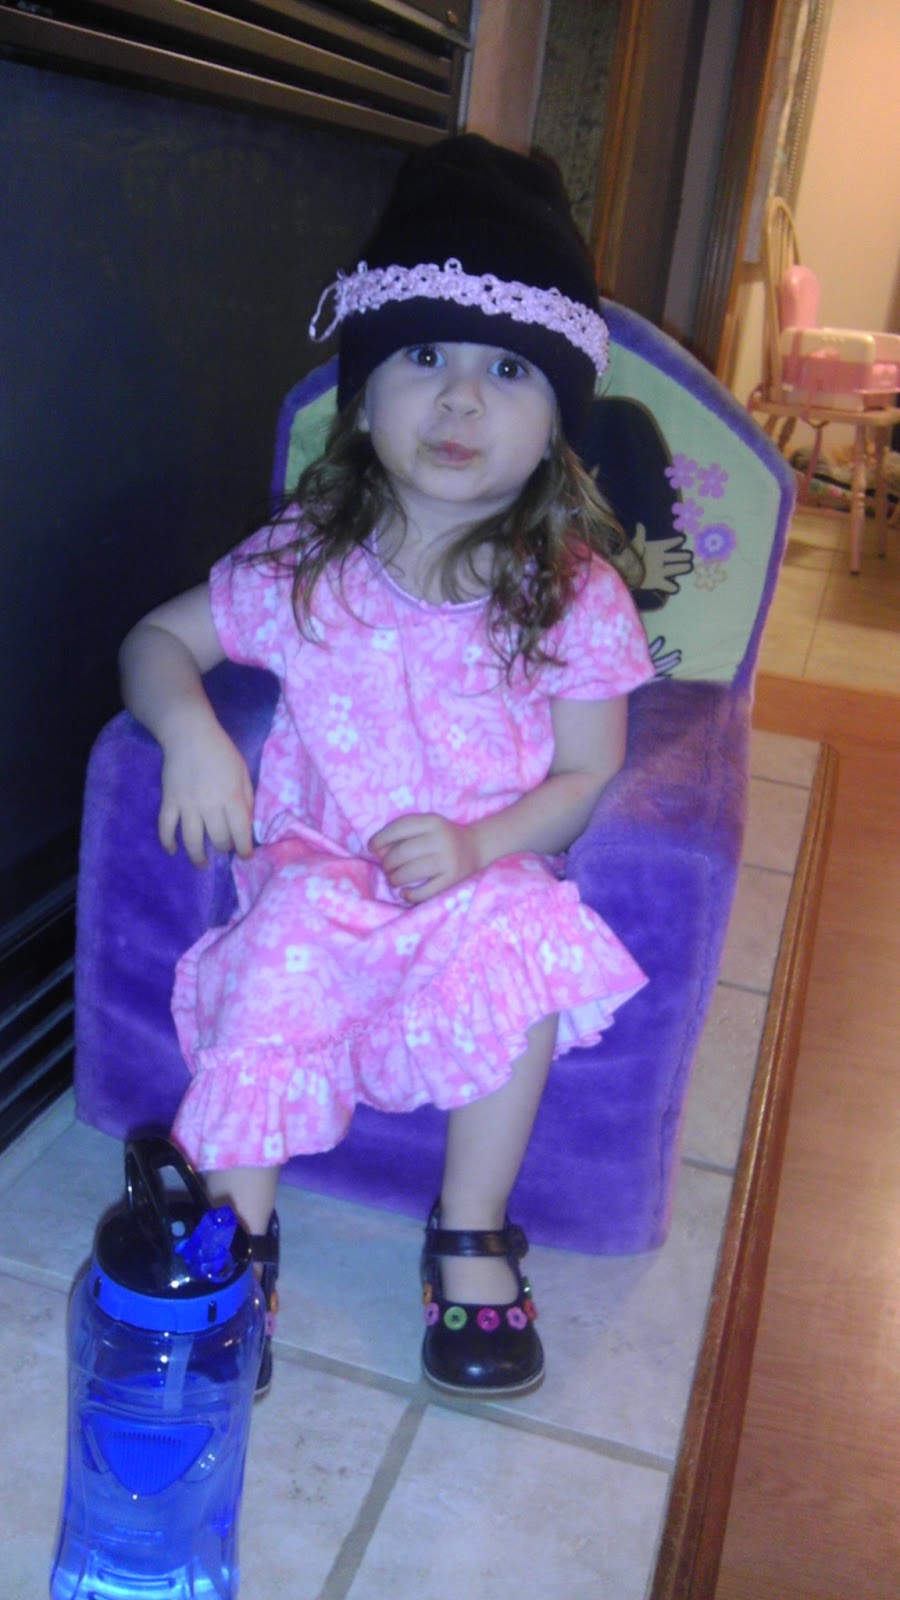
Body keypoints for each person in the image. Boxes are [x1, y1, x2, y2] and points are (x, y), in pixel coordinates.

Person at [119, 134, 655, 1400]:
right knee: (274, 969)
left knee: (525, 948)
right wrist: (192, 731)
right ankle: (236, 1237)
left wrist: (479, 848)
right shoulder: (305, 561)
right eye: (423, 360)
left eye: (507, 371)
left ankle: (470, 1228)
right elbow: (156, 641)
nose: (460, 402)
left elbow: (587, 770)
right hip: (321, 871)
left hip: (477, 875)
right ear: (361, 400)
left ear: (556, 426)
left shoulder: (571, 593)